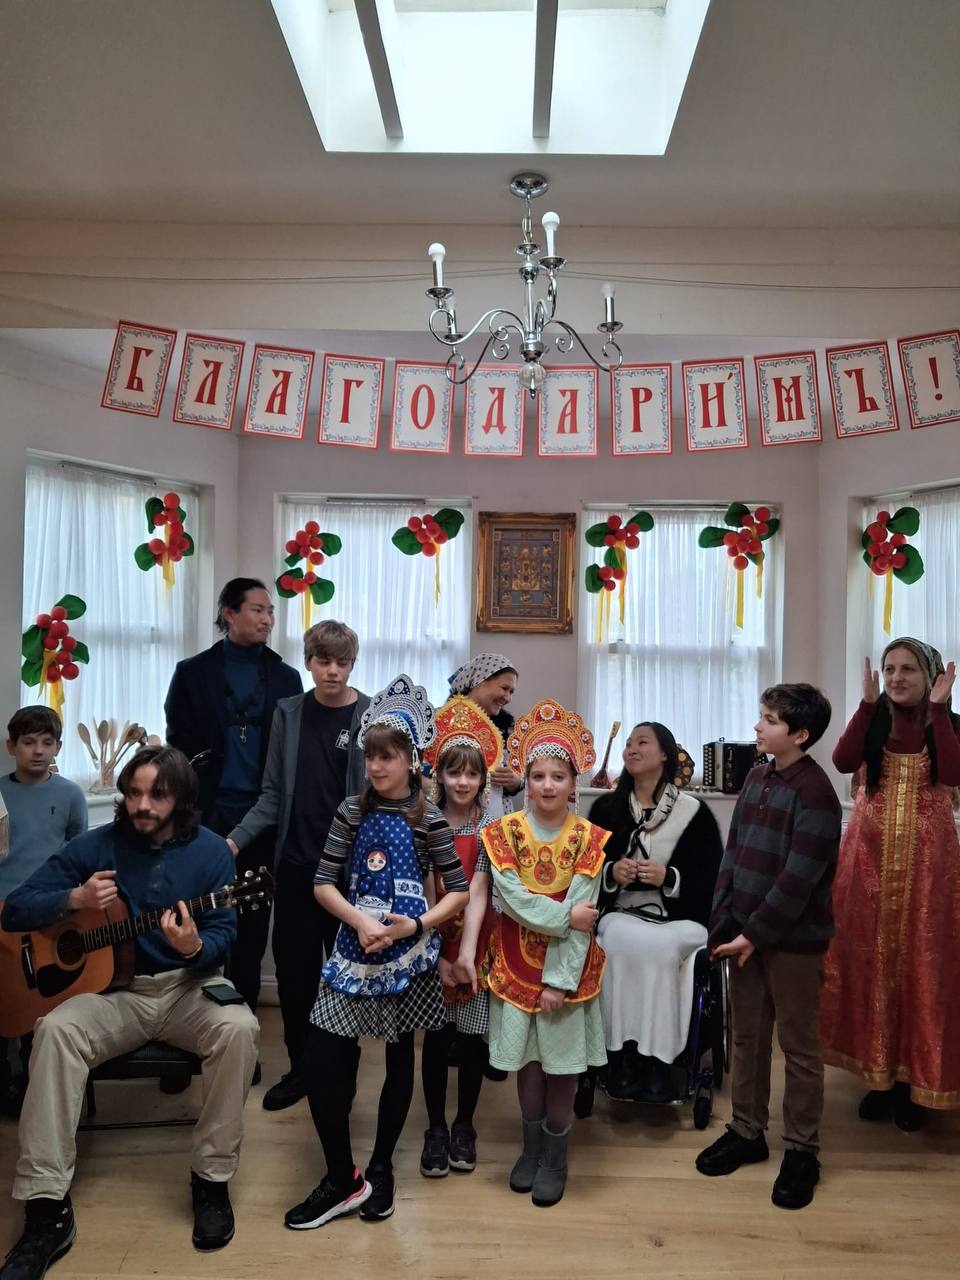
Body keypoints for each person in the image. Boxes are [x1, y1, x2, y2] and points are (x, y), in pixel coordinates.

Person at [0, 746, 259, 1276]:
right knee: (54, 1031)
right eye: (134, 793)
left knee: (239, 1028)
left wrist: (193, 947)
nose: (142, 804)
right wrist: (72, 900)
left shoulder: (213, 853)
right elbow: (16, 910)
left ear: (181, 798)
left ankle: (211, 1180)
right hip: (114, 994)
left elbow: (223, 934)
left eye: (156, 795)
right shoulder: (95, 845)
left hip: (188, 986)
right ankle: (46, 1208)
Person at [284, 675, 468, 1230]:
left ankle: (382, 1166)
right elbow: (323, 883)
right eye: (370, 757)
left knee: (398, 1056)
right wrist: (361, 921)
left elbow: (458, 891)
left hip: (407, 957)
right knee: (323, 1058)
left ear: (411, 760)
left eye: (387, 757)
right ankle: (342, 1178)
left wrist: (417, 924)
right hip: (353, 949)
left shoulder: (429, 818)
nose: (376, 767)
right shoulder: (350, 811)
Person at [696, 684, 840, 1212]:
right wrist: (723, 924)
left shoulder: (817, 793)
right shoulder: (757, 777)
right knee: (747, 1038)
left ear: (799, 734)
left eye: (770, 719)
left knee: (799, 1049)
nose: (758, 726)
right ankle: (746, 1130)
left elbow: (799, 880)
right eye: (761, 715)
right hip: (742, 936)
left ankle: (801, 1150)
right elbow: (733, 855)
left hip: (793, 943)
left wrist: (754, 934)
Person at [226, 620, 370, 1112]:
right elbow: (271, 795)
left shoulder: (371, 715)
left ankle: (342, 1071)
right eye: (323, 661)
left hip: (350, 878)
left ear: (352, 665)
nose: (333, 671)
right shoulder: (288, 713)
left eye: (342, 662)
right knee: (295, 979)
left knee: (348, 979)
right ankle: (301, 1069)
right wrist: (234, 841)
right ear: (308, 662)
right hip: (295, 870)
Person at [821, 639, 960, 1131]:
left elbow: (955, 771)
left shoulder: (947, 723)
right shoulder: (873, 717)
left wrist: (939, 710)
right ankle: (877, 1076)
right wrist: (864, 703)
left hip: (929, 867)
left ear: (932, 676)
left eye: (908, 669)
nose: (897, 677)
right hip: (869, 861)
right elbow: (842, 761)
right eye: (889, 668)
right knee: (871, 961)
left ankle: (912, 1083)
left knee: (923, 966)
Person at [482, 699, 607, 1208]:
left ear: (574, 783)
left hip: (567, 975)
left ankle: (556, 1157)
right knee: (527, 1065)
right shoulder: (503, 834)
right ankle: (531, 1149)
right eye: (538, 776)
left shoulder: (590, 839)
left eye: (559, 776)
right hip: (514, 968)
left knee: (562, 1066)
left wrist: (559, 979)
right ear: (526, 782)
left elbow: (585, 913)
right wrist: (563, 916)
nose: (548, 785)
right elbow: (512, 900)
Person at [164, 577, 301, 1011]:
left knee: (251, 924)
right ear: (229, 613)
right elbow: (177, 744)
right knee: (195, 915)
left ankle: (240, 1020)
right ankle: (189, 1021)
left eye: (270, 612)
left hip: (261, 816)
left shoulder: (286, 677)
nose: (267, 619)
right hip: (203, 814)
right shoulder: (192, 673)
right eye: (258, 610)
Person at [588, 722, 723, 1104]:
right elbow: (583, 870)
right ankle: (621, 1057)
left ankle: (660, 1063)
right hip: (623, 914)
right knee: (615, 941)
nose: (631, 749)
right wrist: (611, 873)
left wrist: (669, 877)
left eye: (642, 742)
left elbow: (713, 877)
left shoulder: (694, 813)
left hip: (679, 920)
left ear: (665, 753)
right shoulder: (606, 809)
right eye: (628, 743)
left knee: (662, 951)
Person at [418, 695, 502, 1178]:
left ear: (483, 778)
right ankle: (434, 1128)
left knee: (472, 1038)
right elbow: (427, 891)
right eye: (454, 773)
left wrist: (466, 955)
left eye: (472, 773)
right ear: (440, 776)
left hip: (475, 944)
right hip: (432, 941)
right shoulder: (424, 823)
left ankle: (464, 1124)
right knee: (435, 1038)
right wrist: (436, 954)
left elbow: (478, 889)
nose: (463, 782)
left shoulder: (489, 828)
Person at [0, 707, 87, 1118]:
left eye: (47, 743)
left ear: (58, 747)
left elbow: (79, 853)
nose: (37, 751)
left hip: (49, 912)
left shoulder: (70, 795)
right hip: (3, 912)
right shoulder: (0, 793)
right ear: (11, 747)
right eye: (28, 742)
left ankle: (38, 1085)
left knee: (42, 1000)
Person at [449, 654, 523, 821]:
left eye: (511, 692)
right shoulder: (444, 721)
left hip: (497, 819)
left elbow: (522, 775)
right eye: (504, 688)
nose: (508, 698)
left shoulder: (507, 726)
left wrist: (515, 782)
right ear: (479, 681)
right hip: (452, 819)